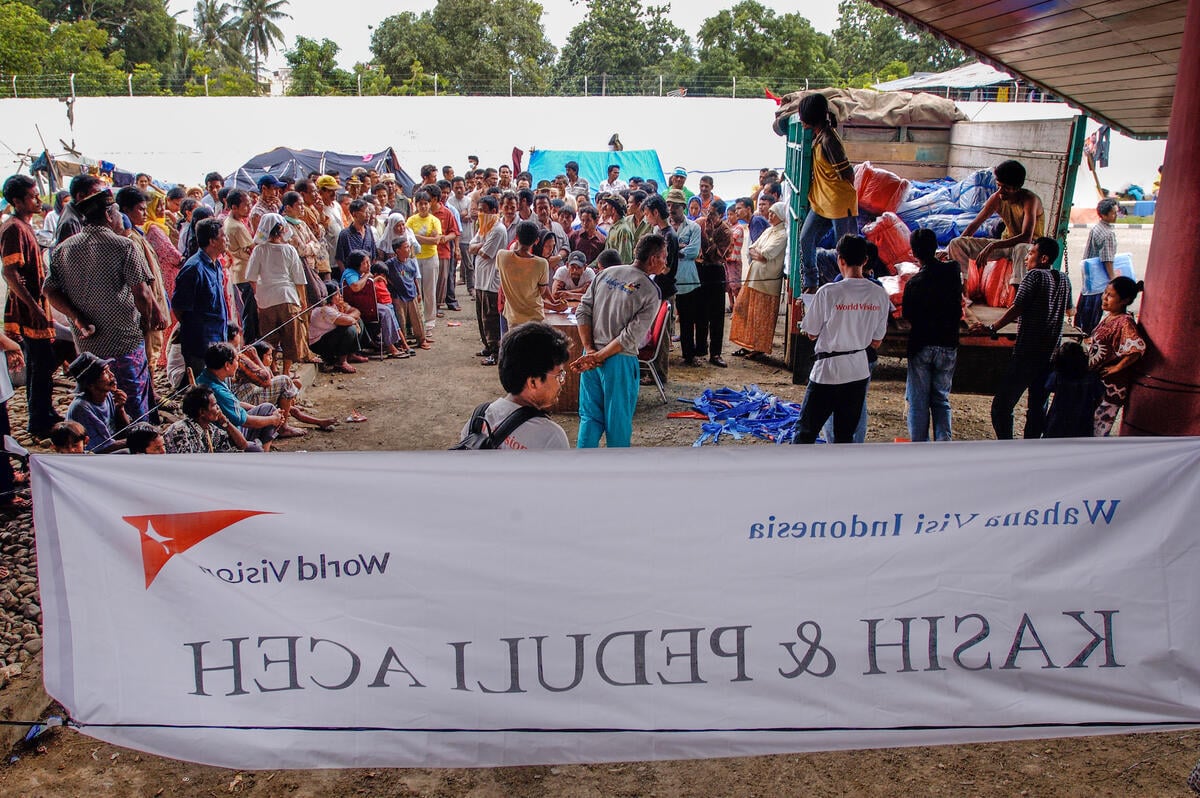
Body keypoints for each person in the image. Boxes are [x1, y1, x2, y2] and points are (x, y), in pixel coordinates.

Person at [43, 189, 166, 422]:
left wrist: (77, 317)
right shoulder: (123, 246)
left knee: (98, 396)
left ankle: (109, 438)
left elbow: (49, 290)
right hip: (124, 340)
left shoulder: (63, 249)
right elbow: (142, 293)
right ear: (110, 215)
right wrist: (148, 320)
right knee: (132, 394)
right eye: (118, 212)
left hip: (88, 344)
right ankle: (140, 440)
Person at [571, 233, 668, 448]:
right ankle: (618, 474)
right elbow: (629, 337)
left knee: (590, 418)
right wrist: (598, 355)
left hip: (591, 358)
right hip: (619, 360)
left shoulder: (606, 273)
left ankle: (579, 471)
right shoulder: (651, 291)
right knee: (618, 422)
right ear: (653, 259)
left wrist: (589, 351)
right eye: (664, 257)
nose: (665, 263)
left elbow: (582, 310)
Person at [792, 234, 890, 444]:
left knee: (805, 433)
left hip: (827, 371)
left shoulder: (828, 292)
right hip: (857, 371)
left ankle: (796, 474)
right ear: (865, 260)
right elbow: (876, 341)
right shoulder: (880, 294)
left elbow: (811, 333)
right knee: (845, 436)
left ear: (840, 259)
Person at [979, 236, 1070, 440]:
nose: (1027, 257)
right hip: (1050, 354)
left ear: (1044, 258)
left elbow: (1017, 308)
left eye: (1031, 253)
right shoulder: (1064, 279)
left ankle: (1007, 444)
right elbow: (1069, 309)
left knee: (1002, 406)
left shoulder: (1035, 276)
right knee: (1037, 406)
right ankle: (1031, 446)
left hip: (1028, 352)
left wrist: (992, 327)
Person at [2, 174, 60, 438]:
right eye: (32, 196)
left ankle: (44, 411)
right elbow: (10, 273)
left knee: (42, 363)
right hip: (29, 309)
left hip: (36, 304)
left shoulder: (23, 226)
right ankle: (38, 419)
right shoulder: (14, 228)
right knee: (41, 363)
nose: (38, 200)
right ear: (17, 200)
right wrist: (35, 308)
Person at [460, 322, 571, 450]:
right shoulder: (550, 437)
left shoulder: (479, 418)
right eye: (559, 375)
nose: (562, 381)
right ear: (533, 383)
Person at [902, 228, 963, 442]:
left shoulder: (913, 284)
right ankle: (943, 444)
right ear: (936, 246)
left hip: (922, 346)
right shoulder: (953, 271)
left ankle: (919, 446)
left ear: (914, 253)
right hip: (948, 344)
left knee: (918, 401)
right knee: (940, 399)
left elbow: (907, 316)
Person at [948, 159, 1045, 287]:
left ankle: (1018, 300)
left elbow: (1026, 237)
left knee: (1021, 248)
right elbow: (974, 225)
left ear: (1016, 188)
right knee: (956, 243)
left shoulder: (1030, 200)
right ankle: (961, 289)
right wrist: (949, 248)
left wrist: (993, 246)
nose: (1000, 191)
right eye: (999, 186)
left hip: (1028, 248)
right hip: (1004, 245)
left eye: (1005, 188)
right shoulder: (997, 198)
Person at [796, 93, 858, 292]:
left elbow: (848, 173)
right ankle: (811, 282)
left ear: (810, 117)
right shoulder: (819, 136)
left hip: (839, 203)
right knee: (806, 238)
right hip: (822, 202)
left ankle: (849, 286)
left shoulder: (829, 140)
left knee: (847, 249)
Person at [245, 213, 307, 374]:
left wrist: (258, 295)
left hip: (266, 299)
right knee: (290, 337)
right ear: (281, 229)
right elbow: (299, 279)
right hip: (288, 298)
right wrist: (302, 301)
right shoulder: (290, 250)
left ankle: (272, 369)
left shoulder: (259, 250)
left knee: (268, 337)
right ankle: (286, 371)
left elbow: (251, 278)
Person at [1086, 276, 1146, 436]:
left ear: (1125, 300)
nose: (1104, 298)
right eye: (1105, 293)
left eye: (1110, 296)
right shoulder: (1110, 317)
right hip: (1099, 383)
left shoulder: (1124, 322)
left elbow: (1136, 348)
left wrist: (1117, 367)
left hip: (1112, 387)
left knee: (1099, 426)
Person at [195, 342, 284, 450]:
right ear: (227, 365)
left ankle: (264, 448)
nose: (238, 364)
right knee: (269, 415)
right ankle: (262, 452)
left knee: (267, 408)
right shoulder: (217, 391)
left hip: (229, 425)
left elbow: (235, 403)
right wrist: (273, 419)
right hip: (225, 435)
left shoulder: (207, 376)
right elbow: (246, 421)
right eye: (236, 360)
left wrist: (258, 410)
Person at [172, 218, 230, 378]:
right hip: (201, 343)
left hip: (218, 336)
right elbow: (179, 307)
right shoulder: (194, 268)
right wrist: (195, 328)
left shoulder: (216, 264)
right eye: (223, 236)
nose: (227, 239)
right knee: (203, 388)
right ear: (212, 241)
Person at [730, 201, 788, 360]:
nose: (769, 215)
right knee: (745, 310)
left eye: (773, 213)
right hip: (754, 279)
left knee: (761, 317)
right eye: (769, 212)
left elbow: (764, 255)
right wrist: (759, 255)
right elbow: (752, 249)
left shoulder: (783, 235)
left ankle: (758, 348)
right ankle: (747, 344)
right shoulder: (769, 230)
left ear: (781, 215)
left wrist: (759, 255)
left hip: (766, 283)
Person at [498, 221, 563, 328]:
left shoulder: (502, 256)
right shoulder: (541, 263)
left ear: (517, 237)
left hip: (513, 317)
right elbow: (542, 291)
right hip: (535, 317)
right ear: (537, 240)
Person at [667, 188, 705, 366]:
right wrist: (679, 248)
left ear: (683, 207)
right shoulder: (661, 227)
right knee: (665, 317)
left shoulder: (694, 227)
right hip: (667, 278)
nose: (671, 209)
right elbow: (661, 252)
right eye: (669, 205)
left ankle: (689, 354)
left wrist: (674, 250)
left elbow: (693, 251)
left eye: (675, 206)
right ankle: (663, 352)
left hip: (687, 277)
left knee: (688, 319)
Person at [64, 352, 129, 453]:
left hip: (110, 442)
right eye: (105, 373)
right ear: (90, 384)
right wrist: (136, 441)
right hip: (94, 453)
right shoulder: (81, 408)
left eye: (109, 370)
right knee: (128, 451)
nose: (112, 375)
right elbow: (101, 447)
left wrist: (120, 408)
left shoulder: (108, 395)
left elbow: (125, 430)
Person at [469, 195, 505, 364]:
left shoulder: (498, 229)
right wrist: (479, 246)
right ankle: (487, 346)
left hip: (492, 281)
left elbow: (485, 252)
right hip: (481, 280)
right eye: (479, 210)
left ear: (493, 211)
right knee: (481, 315)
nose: (480, 214)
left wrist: (478, 247)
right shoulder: (484, 228)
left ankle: (495, 351)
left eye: (483, 211)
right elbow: (471, 247)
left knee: (490, 318)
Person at [163, 384, 251, 453]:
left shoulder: (210, 430)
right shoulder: (180, 431)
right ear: (202, 412)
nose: (218, 408)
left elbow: (243, 445)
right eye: (214, 405)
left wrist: (225, 422)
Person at [1076, 197, 1120, 334]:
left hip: (1089, 276)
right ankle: (1087, 334)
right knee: (1093, 310)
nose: (1116, 215)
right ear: (1104, 214)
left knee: (1084, 306)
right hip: (1099, 280)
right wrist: (1113, 279)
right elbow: (1107, 260)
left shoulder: (1097, 228)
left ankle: (1078, 331)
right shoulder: (1108, 234)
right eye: (1113, 213)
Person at [697, 199, 732, 367]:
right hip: (702, 270)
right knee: (701, 311)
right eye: (708, 212)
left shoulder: (725, 231)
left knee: (717, 315)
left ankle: (716, 353)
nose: (709, 216)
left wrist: (709, 237)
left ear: (721, 215)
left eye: (712, 213)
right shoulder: (701, 223)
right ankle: (700, 349)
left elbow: (716, 254)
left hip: (716, 271)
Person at [1043, 341, 1102, 438]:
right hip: (1083, 418)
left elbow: (1048, 387)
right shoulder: (1092, 377)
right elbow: (1100, 396)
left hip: (1058, 419)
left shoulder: (1057, 376)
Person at [407, 189, 443, 333]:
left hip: (430, 258)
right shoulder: (411, 220)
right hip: (415, 258)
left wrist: (417, 237)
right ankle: (417, 320)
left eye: (425, 204)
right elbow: (408, 239)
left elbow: (436, 240)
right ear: (416, 205)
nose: (423, 207)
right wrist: (426, 238)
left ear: (430, 204)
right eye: (420, 204)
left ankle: (430, 321)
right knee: (416, 290)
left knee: (429, 290)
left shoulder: (434, 221)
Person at [308, 287, 364, 373]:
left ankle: (351, 354)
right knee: (350, 329)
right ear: (330, 297)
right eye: (337, 294)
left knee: (358, 321)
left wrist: (351, 318)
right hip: (317, 344)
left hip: (327, 338)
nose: (340, 296)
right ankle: (341, 362)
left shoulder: (334, 305)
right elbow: (350, 320)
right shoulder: (325, 310)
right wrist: (351, 319)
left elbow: (356, 311)